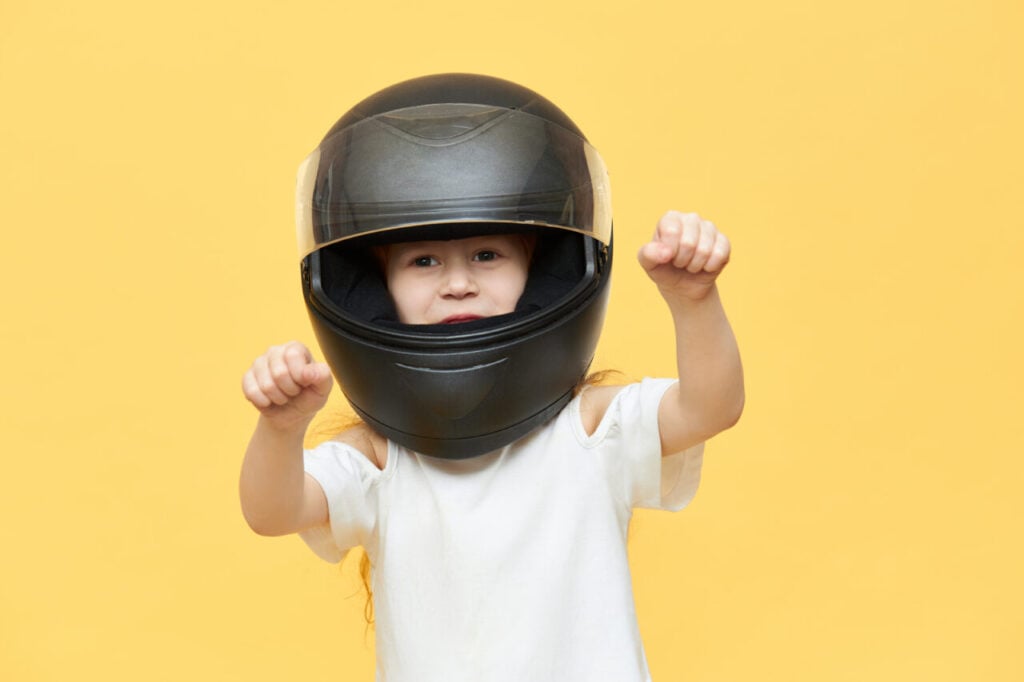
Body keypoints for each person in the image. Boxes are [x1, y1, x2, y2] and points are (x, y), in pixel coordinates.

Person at [239, 74, 743, 682]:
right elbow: (271, 512)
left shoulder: (586, 431)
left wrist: (694, 299)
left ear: (538, 270)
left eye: (487, 255)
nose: (458, 282)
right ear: (375, 289)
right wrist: (281, 427)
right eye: (423, 261)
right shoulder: (380, 459)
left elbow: (711, 407)